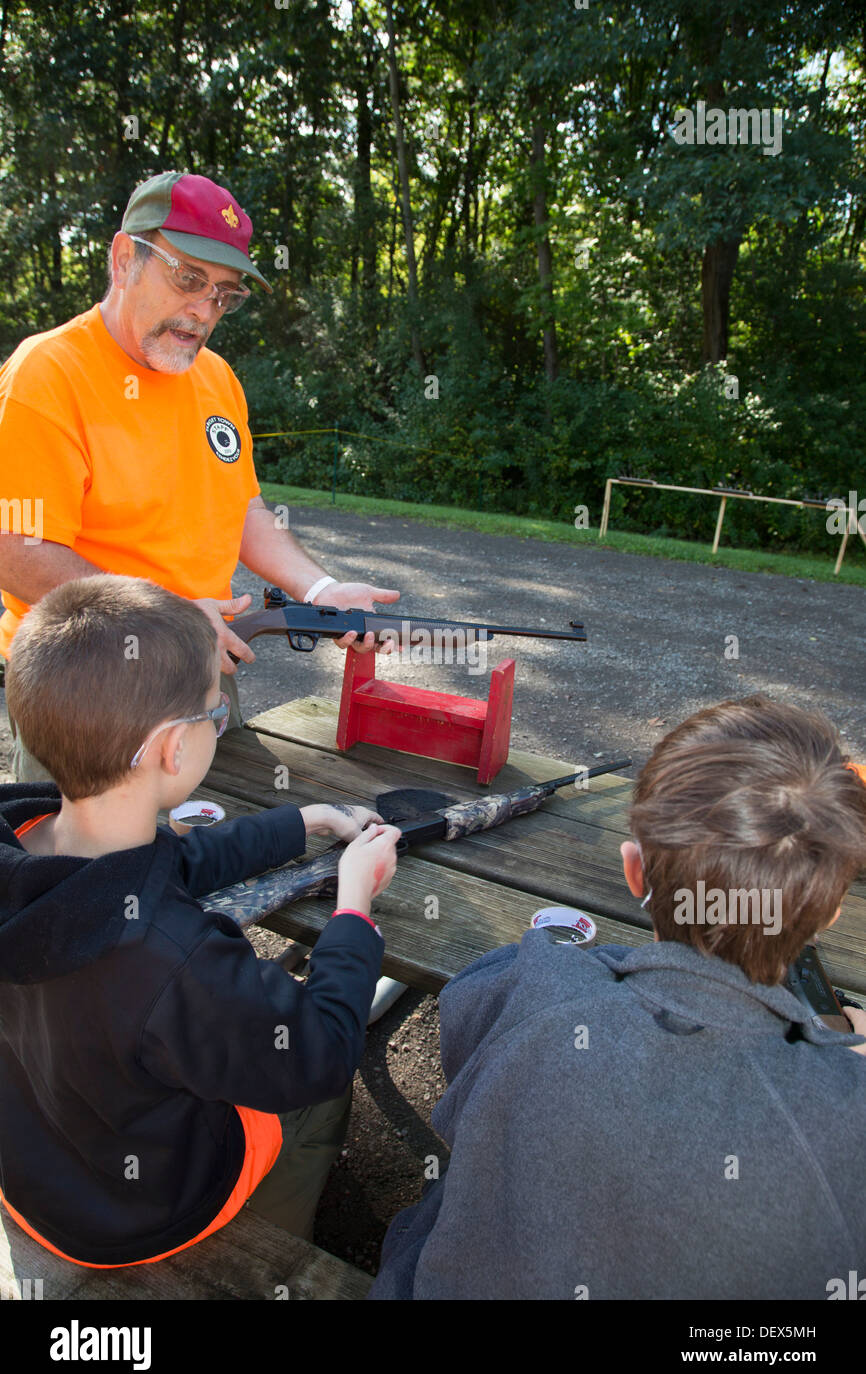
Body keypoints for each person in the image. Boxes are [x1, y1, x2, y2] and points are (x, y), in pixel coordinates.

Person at [369, 695, 866, 1300]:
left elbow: (471, 1011)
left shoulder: (538, 985)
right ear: (832, 912)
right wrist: (838, 1063)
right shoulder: (847, 1111)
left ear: (634, 873)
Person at [0, 573, 401, 1264]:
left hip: (31, 1173)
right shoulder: (173, 957)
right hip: (135, 1215)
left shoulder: (29, 837)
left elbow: (163, 863)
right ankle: (271, 1255)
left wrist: (298, 822)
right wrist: (353, 911)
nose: (219, 723)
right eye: (215, 715)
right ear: (172, 750)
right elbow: (322, 1051)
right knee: (317, 1099)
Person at [0, 170, 399, 782]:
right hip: (85, 688)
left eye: (224, 295)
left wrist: (320, 591)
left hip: (202, 676)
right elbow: (17, 552)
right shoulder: (46, 376)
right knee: (85, 877)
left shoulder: (216, 379)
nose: (203, 311)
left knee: (221, 854)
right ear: (124, 257)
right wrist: (166, 617)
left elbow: (242, 510)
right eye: (188, 279)